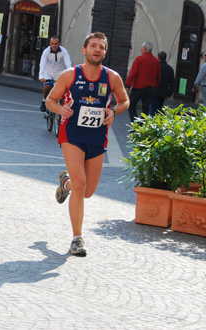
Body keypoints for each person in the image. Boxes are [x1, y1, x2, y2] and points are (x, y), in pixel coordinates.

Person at [46, 32, 129, 257]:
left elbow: (124, 100)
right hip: (71, 134)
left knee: (88, 191)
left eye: (101, 47)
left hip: (97, 137)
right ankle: (77, 238)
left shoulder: (112, 77)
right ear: (84, 50)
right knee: (81, 185)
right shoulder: (70, 75)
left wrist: (113, 111)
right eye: (93, 46)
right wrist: (60, 108)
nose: (97, 50)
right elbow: (50, 100)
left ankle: (66, 184)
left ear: (105, 52)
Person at [125, 41, 160, 122]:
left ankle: (135, 122)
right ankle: (143, 123)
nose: (140, 49)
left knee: (132, 104)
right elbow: (158, 75)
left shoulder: (139, 59)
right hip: (151, 87)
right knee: (146, 106)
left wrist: (128, 85)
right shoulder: (156, 61)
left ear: (144, 49)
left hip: (139, 86)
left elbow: (133, 73)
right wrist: (156, 86)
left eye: (141, 48)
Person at [38, 36, 72, 112]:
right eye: (52, 43)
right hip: (48, 72)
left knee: (62, 90)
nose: (54, 45)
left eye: (56, 44)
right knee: (47, 85)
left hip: (59, 73)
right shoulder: (46, 52)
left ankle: (62, 107)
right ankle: (44, 101)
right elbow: (42, 64)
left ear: (59, 44)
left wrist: (71, 75)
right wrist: (41, 76)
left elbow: (68, 64)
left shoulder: (64, 51)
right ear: (50, 43)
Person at [150, 51, 175, 116]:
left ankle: (152, 122)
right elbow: (172, 82)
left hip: (154, 90)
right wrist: (170, 93)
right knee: (159, 108)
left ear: (158, 57)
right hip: (164, 91)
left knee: (153, 108)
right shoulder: (169, 69)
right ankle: (157, 121)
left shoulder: (155, 67)